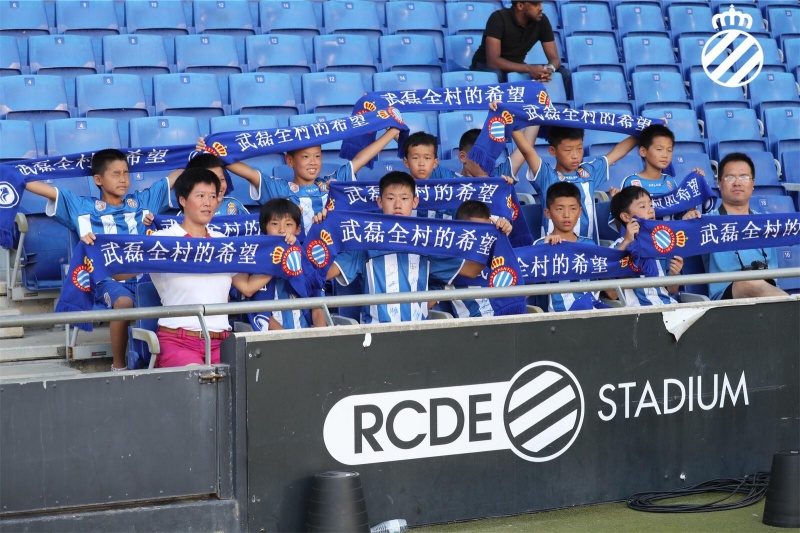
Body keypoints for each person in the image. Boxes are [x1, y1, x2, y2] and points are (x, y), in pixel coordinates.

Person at [24, 148, 177, 371]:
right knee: (124, 302)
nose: (123, 179)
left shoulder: (143, 202)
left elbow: (174, 178)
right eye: (115, 174)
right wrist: (12, 173)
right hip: (104, 279)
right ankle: (119, 367)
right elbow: (42, 189)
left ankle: (164, 359)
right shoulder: (82, 207)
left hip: (145, 277)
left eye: (126, 173)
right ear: (98, 179)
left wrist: (196, 154)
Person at [318, 171, 485, 324]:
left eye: (404, 198)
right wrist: (322, 233)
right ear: (379, 202)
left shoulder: (426, 242)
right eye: (390, 198)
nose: (397, 205)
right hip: (375, 332)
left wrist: (495, 236)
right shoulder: (365, 242)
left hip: (417, 333)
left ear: (415, 202)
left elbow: (471, 270)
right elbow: (324, 272)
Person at [148, 168, 272, 367]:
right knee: (198, 381)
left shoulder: (223, 242)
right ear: (182, 200)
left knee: (245, 383)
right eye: (200, 196)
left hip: (222, 342)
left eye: (213, 196)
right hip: (177, 341)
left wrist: (281, 255)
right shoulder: (162, 240)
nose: (208, 203)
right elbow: (122, 273)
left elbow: (247, 287)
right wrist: (92, 245)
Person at [197, 127, 401, 232]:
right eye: (305, 157)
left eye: (318, 156)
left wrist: (390, 133)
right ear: (289, 160)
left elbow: (360, 159)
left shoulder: (331, 184)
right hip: (292, 257)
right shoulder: (278, 188)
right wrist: (213, 150)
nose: (313, 162)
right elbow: (247, 172)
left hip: (327, 255)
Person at [509, 122, 638, 242]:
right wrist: (509, 120)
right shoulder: (546, 175)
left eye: (580, 148)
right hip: (554, 252)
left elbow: (619, 151)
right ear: (553, 151)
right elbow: (526, 149)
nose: (575, 155)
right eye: (568, 150)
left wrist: (647, 129)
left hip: (588, 252)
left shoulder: (589, 172)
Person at [703, 153, 787, 300]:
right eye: (730, 177)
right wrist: (689, 218)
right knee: (749, 282)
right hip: (727, 296)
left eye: (743, 177)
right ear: (719, 183)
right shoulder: (706, 222)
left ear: (753, 183)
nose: (737, 183)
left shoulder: (767, 221)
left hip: (768, 291)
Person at [246, 199, 327, 330]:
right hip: (274, 342)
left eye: (288, 224)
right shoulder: (256, 262)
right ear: (264, 227)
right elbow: (259, 312)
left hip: (308, 339)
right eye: (274, 223)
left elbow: (318, 308)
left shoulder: (305, 261)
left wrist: (318, 340)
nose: (282, 230)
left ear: (298, 229)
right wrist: (289, 343)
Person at [470, 0, 570, 95]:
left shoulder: (542, 20)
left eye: (540, 3)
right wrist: (529, 68)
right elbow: (493, 61)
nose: (541, 8)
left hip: (516, 66)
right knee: (497, 74)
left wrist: (548, 70)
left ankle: (563, 110)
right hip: (485, 66)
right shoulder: (498, 18)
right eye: (535, 4)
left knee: (564, 73)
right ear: (520, 6)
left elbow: (555, 58)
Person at [607, 186, 683, 306]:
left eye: (651, 205)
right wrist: (627, 241)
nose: (650, 210)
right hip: (639, 312)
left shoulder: (661, 243)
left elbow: (671, 290)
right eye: (643, 206)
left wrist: (674, 274)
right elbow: (611, 282)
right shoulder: (618, 246)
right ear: (626, 217)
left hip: (669, 306)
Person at [443, 200, 515, 318]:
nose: (484, 236)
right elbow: (472, 271)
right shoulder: (450, 258)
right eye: (478, 231)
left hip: (504, 317)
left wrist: (501, 237)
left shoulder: (495, 249)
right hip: (475, 326)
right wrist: (494, 242)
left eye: (487, 230)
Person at [534, 182, 599, 312]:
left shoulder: (589, 245)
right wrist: (546, 250)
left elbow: (606, 285)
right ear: (548, 213)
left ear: (580, 212)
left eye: (573, 209)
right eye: (559, 209)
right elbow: (527, 289)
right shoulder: (540, 245)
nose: (567, 215)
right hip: (556, 317)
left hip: (590, 311)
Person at [619, 124, 700, 221]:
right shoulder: (631, 182)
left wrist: (694, 185)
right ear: (643, 151)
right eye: (659, 149)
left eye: (669, 150)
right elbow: (622, 223)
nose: (665, 155)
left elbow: (680, 217)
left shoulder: (670, 182)